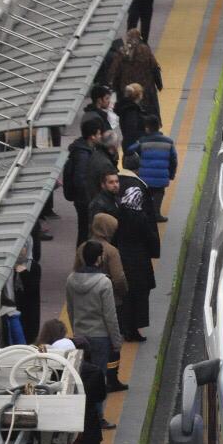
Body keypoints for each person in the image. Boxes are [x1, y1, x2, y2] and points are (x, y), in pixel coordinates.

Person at [65, 240, 123, 414]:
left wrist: (76, 330)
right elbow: (110, 316)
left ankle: (82, 416)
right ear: (99, 259)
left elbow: (70, 309)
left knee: (81, 378)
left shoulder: (71, 280)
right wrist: (116, 340)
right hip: (100, 337)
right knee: (99, 378)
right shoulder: (104, 283)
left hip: (80, 335)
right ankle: (98, 417)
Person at [75, 205, 128, 393]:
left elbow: (76, 270)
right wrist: (122, 292)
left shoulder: (82, 247)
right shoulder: (111, 251)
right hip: (110, 299)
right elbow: (119, 277)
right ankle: (111, 379)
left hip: (85, 307)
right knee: (113, 347)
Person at [110, 168, 159, 342]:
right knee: (139, 296)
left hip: (123, 258)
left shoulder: (119, 214)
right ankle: (134, 329)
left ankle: (125, 327)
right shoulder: (141, 218)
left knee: (126, 297)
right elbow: (150, 237)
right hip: (139, 261)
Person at [61, 115, 107, 244]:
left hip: (83, 199)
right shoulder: (83, 155)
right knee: (86, 231)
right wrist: (90, 201)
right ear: (92, 136)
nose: (100, 136)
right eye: (98, 134)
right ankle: (83, 258)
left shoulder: (84, 149)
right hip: (85, 201)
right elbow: (80, 180)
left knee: (85, 230)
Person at [129, 115, 178, 223]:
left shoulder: (142, 141)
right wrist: (171, 174)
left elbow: (130, 150)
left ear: (147, 128)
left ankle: (146, 213)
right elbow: (174, 160)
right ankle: (156, 214)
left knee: (146, 194)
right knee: (159, 192)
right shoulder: (168, 142)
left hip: (144, 176)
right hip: (161, 176)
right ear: (158, 126)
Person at [107, 29, 162, 124]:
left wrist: (116, 89)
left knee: (131, 115)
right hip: (146, 89)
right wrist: (159, 84)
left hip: (128, 91)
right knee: (149, 113)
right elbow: (155, 67)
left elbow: (114, 72)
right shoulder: (145, 50)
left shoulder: (121, 52)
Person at [115, 81, 145, 155]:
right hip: (135, 147)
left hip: (129, 144)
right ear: (139, 95)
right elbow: (132, 130)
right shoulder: (131, 110)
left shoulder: (126, 108)